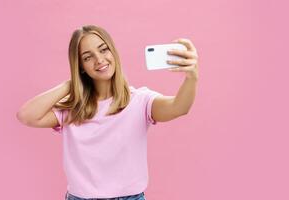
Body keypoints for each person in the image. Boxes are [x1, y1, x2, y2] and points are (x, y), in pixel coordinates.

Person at [17, 25, 198, 200]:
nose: (99, 59)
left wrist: (192, 77)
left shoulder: (140, 100)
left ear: (113, 51)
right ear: (80, 66)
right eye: (88, 57)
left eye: (103, 50)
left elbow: (179, 107)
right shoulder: (73, 109)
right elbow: (26, 115)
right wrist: (70, 84)